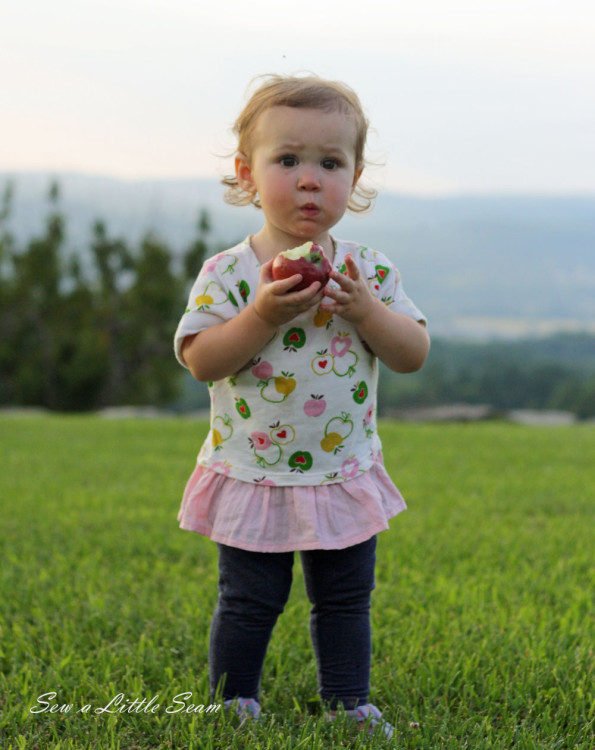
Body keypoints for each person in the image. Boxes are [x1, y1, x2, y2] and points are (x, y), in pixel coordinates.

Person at [174, 73, 430, 737]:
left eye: (329, 162)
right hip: (254, 470)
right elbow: (203, 359)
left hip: (341, 470)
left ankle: (347, 703)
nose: (309, 179)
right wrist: (260, 313)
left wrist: (366, 312)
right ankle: (233, 702)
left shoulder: (366, 272)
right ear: (246, 173)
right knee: (248, 599)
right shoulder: (230, 273)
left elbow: (410, 354)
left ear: (355, 175)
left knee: (345, 598)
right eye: (287, 160)